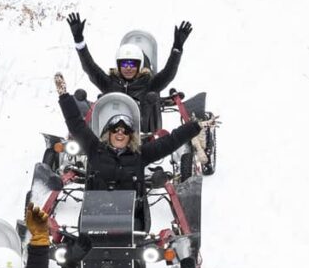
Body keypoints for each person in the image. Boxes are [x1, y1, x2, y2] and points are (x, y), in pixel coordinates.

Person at [55, 75, 204, 196]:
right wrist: (64, 97)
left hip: (133, 223)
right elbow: (76, 125)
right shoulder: (95, 149)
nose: (120, 133)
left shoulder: (140, 154)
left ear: (131, 136)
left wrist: (196, 126)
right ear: (108, 133)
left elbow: (172, 141)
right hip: (94, 220)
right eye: (115, 129)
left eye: (125, 131)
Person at [68, 13, 193, 96]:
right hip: (115, 132)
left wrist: (177, 48)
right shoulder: (109, 83)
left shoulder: (149, 84)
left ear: (139, 66)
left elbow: (168, 74)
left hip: (144, 132)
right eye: (124, 63)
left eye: (132, 64)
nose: (128, 67)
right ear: (118, 65)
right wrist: (79, 41)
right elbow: (90, 68)